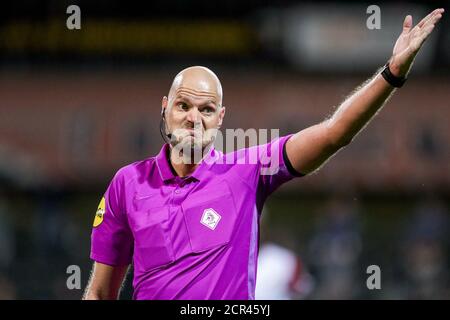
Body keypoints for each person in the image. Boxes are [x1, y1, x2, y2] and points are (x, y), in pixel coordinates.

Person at [83, 9, 444, 300]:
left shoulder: (247, 171)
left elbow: (335, 132)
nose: (194, 118)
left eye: (207, 109)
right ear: (165, 108)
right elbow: (100, 292)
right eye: (183, 105)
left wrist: (392, 73)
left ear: (220, 118)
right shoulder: (127, 184)